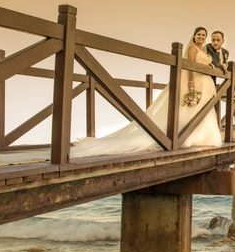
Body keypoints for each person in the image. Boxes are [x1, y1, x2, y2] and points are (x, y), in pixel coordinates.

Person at [70, 27, 222, 158]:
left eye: (203, 35)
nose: (201, 37)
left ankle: (196, 137)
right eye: (199, 34)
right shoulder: (192, 49)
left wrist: (214, 68)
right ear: (194, 36)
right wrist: (190, 83)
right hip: (194, 82)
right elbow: (190, 67)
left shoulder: (203, 50)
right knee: (189, 110)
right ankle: (183, 138)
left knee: (199, 111)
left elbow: (206, 63)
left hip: (203, 84)